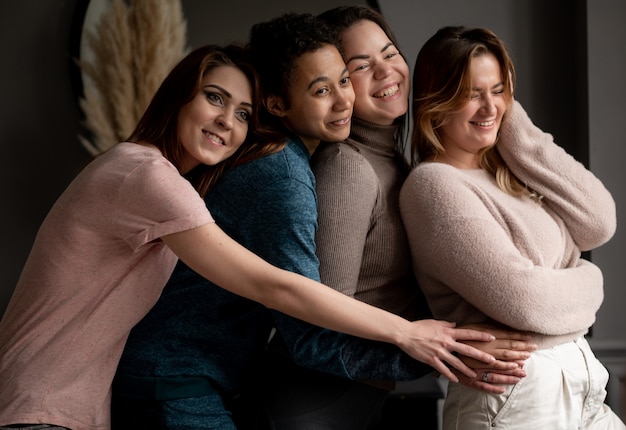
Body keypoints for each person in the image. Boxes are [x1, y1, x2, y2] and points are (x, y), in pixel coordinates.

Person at [0, 43, 495, 430]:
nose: (226, 121)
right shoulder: (147, 177)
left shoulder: (158, 176)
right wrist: (408, 333)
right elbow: (274, 285)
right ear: (178, 96)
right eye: (214, 97)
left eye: (243, 113)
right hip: (37, 408)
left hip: (71, 406)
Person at [258, 7, 535, 429]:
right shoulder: (348, 169)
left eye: (389, 53)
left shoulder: (394, 161)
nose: (386, 72)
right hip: (314, 401)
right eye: (360, 67)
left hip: (357, 397)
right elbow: (321, 326)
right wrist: (450, 352)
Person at [399, 25, 626, 429]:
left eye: (499, 89)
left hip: (578, 375)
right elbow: (527, 302)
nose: (489, 108)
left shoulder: (510, 174)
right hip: (516, 393)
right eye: (471, 93)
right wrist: (591, 278)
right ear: (437, 101)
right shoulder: (434, 185)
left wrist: (517, 134)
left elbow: (598, 223)